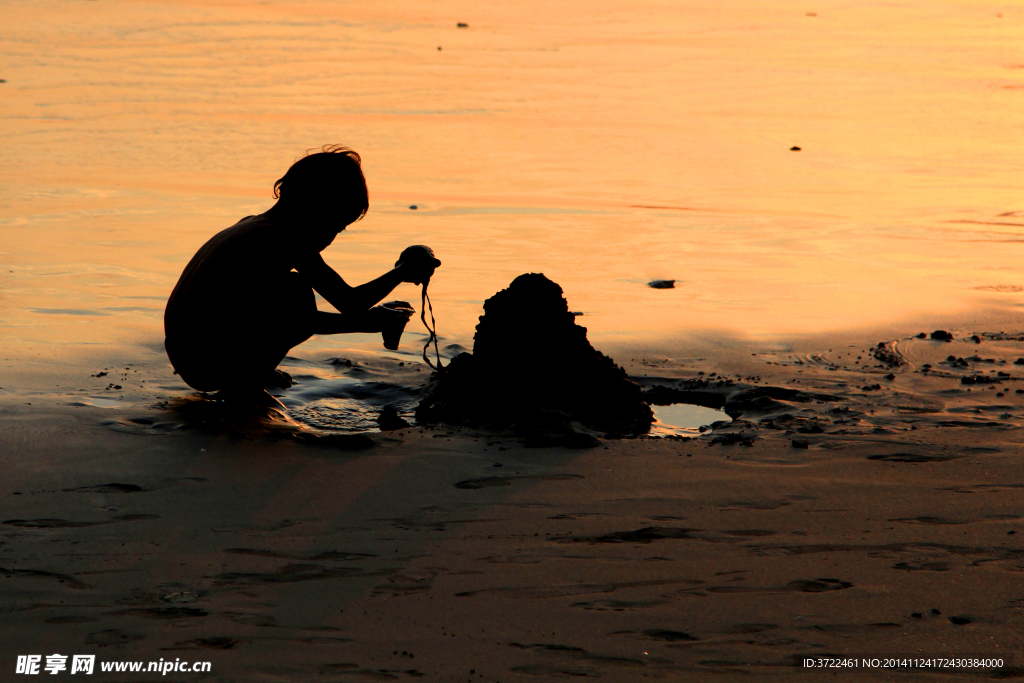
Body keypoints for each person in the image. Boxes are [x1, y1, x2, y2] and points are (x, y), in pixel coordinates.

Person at [164, 145, 439, 401]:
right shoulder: (284, 238)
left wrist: (374, 320)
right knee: (294, 291)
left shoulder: (254, 225)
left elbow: (272, 315)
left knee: (286, 295)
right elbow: (350, 304)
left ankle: (248, 372)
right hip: (206, 361)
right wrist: (403, 272)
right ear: (315, 209)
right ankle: (245, 385)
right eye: (335, 225)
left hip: (187, 351)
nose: (332, 237)